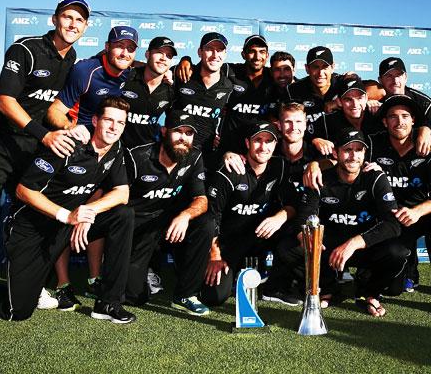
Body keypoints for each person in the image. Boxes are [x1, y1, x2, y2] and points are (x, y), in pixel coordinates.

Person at [0, 0, 90, 334]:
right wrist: (43, 135)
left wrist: (63, 130)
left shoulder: (72, 59)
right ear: (55, 19)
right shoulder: (26, 49)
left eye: (80, 20)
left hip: (30, 149)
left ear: (85, 27)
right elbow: (5, 101)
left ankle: (28, 285)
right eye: (68, 17)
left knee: (33, 217)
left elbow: (53, 108)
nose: (73, 24)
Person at [1, 96, 135, 325]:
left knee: (123, 215)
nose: (114, 127)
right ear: (95, 120)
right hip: (35, 226)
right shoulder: (68, 144)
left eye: (120, 123)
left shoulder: (117, 149)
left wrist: (87, 212)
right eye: (108, 120)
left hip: (70, 223)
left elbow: (122, 194)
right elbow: (23, 191)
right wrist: (67, 215)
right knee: (18, 310)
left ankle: (108, 303)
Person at [45, 25, 140, 309]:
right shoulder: (85, 71)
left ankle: (94, 277)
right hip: (77, 151)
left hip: (106, 154)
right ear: (107, 46)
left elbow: (148, 66)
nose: (124, 52)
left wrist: (177, 67)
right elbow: (54, 111)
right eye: (119, 46)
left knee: (96, 213)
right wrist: (72, 128)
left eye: (130, 48)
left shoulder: (129, 72)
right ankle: (62, 284)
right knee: (65, 215)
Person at [296, 128, 407, 316]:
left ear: (365, 153)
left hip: (363, 246)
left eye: (358, 150)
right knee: (294, 247)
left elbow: (393, 224)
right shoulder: (320, 176)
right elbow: (305, 217)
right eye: (347, 150)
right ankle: (328, 287)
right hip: (329, 248)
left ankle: (368, 291)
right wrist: (307, 239)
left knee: (397, 254)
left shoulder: (375, 177)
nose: (353, 156)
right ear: (335, 153)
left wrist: (354, 243)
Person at [369, 94, 431, 317]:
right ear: (384, 122)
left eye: (405, 116)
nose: (399, 121)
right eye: (392, 116)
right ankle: (388, 277)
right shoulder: (372, 144)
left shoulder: (428, 147)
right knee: (394, 289)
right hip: (389, 221)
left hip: (419, 214)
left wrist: (417, 211)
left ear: (414, 121)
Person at [123, 110, 214, 315]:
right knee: (134, 297)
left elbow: (202, 200)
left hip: (170, 224)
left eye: (188, 133)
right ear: (164, 131)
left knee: (206, 223)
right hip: (139, 226)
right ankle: (138, 270)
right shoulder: (138, 156)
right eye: (177, 131)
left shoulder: (195, 156)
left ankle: (185, 295)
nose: (183, 138)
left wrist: (185, 216)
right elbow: (117, 201)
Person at [201, 121, 299, 307]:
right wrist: (214, 255)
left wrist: (279, 217)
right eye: (258, 141)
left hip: (260, 238)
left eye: (269, 141)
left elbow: (293, 204)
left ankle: (275, 286)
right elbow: (211, 216)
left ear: (275, 144)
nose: (263, 147)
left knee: (293, 232)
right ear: (247, 143)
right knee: (214, 296)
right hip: (227, 243)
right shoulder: (230, 170)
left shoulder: (280, 167)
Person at [172, 32, 234, 170]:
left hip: (206, 158)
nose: (215, 54)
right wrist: (184, 59)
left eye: (219, 50)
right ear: (199, 52)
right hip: (175, 154)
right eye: (209, 49)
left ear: (225, 54)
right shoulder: (182, 74)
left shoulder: (229, 87)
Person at [376, 57, 431, 156]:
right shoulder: (374, 101)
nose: (395, 80)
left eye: (399, 75)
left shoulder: (424, 102)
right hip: (384, 160)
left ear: (406, 77)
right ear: (380, 80)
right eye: (389, 76)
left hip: (417, 160)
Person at [120, 36, 177, 149]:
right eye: (159, 52)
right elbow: (105, 58)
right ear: (147, 54)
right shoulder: (127, 76)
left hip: (149, 154)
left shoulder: (171, 88)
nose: (163, 58)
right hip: (119, 150)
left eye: (169, 56)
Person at [310, 76, 383, 157]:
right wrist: (315, 140)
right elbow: (306, 136)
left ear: (366, 98)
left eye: (359, 98)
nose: (355, 104)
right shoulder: (327, 121)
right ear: (339, 101)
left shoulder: (378, 116)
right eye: (348, 99)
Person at [284, 46, 339, 135]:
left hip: (341, 145)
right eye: (315, 67)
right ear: (307, 69)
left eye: (325, 67)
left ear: (332, 67)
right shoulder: (293, 91)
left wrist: (341, 101)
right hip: (309, 145)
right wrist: (314, 140)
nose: (320, 73)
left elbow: (368, 88)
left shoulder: (342, 83)